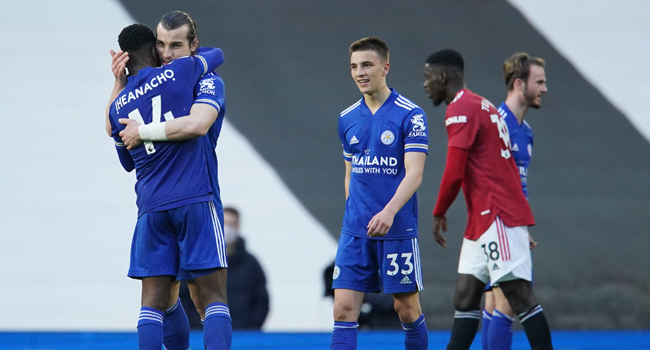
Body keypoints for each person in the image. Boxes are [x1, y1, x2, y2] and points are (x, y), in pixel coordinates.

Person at [108, 11, 229, 350]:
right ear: (153, 47)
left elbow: (124, 156)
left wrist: (120, 86)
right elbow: (197, 122)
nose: (168, 53)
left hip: (150, 206)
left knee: (156, 304)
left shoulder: (119, 103)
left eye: (176, 45)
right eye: (162, 45)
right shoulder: (191, 73)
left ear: (193, 45)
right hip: (195, 196)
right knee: (212, 299)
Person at [423, 49, 553, 350]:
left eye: (428, 78)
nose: (425, 85)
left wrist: (438, 211)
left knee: (517, 299)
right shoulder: (480, 104)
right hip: (483, 220)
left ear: (443, 77)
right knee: (466, 299)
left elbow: (454, 171)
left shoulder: (461, 108)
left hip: (497, 216)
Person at [332, 37, 429, 350]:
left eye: (366, 65)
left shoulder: (410, 115)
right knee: (344, 310)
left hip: (396, 229)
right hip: (356, 231)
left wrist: (388, 212)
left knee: (406, 309)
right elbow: (350, 174)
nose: (360, 72)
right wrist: (353, 215)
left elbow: (414, 173)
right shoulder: (347, 118)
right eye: (354, 66)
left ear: (385, 68)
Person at [481, 53, 547, 350]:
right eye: (540, 82)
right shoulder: (496, 124)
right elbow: (484, 179)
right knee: (508, 303)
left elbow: (516, 183)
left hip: (509, 222)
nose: (544, 88)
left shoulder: (527, 133)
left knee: (495, 301)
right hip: (498, 222)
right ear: (520, 84)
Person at [222, 207, 270, 329]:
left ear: (238, 226)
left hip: (243, 335)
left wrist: (251, 327)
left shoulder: (251, 264)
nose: (227, 229)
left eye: (231, 224)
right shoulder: (199, 262)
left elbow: (261, 300)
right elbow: (186, 296)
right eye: (223, 223)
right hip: (203, 335)